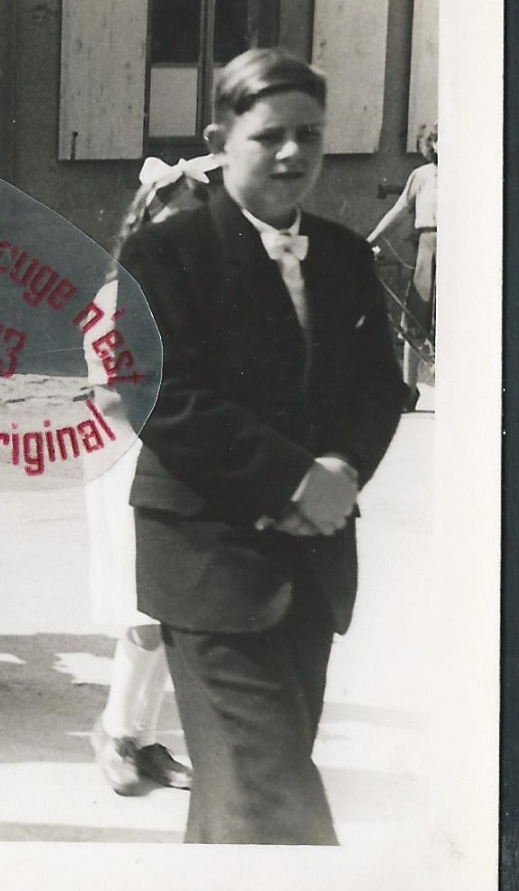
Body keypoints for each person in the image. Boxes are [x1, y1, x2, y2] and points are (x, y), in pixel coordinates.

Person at [116, 48, 405, 844]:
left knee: (240, 793)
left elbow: (380, 388)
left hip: (309, 569)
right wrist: (291, 482)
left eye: (308, 135)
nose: (292, 154)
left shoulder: (344, 256)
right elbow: (160, 396)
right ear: (219, 136)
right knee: (274, 802)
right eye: (269, 135)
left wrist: (340, 471)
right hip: (208, 566)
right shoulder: (164, 254)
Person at [84, 155, 215, 797]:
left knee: (171, 608)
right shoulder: (117, 300)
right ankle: (114, 736)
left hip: (182, 458)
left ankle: (140, 736)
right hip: (128, 459)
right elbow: (109, 398)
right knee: (147, 608)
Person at [366, 124, 438, 405]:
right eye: (433, 140)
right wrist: (369, 241)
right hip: (427, 249)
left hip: (458, 250)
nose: (437, 146)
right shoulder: (420, 176)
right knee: (413, 317)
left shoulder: (466, 174)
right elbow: (398, 211)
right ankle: (409, 390)